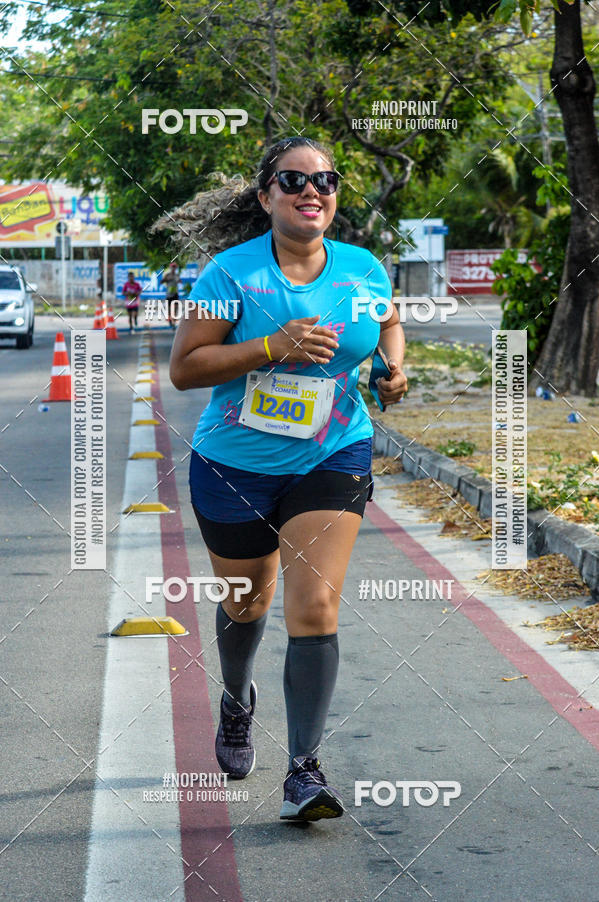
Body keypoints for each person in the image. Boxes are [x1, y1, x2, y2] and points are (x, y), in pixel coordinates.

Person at [169, 136, 408, 822]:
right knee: (246, 604)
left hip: (332, 456)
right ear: (267, 193)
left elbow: (388, 322)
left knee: (315, 609)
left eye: (326, 180)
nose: (314, 190)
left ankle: (304, 770)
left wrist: (392, 369)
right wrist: (274, 345)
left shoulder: (363, 270)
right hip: (234, 464)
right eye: (295, 179)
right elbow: (186, 368)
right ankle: (237, 700)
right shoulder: (232, 275)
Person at [160, 261, 179, 328]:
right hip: (169, 294)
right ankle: (170, 320)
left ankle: (174, 320)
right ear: (170, 268)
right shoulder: (167, 275)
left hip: (175, 293)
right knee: (169, 309)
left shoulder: (177, 275)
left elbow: (180, 281)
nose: (173, 268)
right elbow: (161, 282)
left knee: (176, 307)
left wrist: (178, 280)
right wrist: (167, 279)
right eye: (172, 267)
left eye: (175, 267)